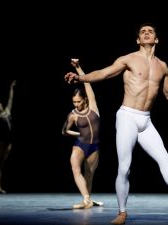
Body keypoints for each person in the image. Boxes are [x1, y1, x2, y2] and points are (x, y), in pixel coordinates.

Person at [64, 22, 168, 225]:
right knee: (125, 168)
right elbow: (104, 73)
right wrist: (80, 77)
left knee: (166, 164)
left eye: (150, 31)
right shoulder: (129, 59)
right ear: (138, 39)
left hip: (146, 121)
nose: (146, 33)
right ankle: (122, 213)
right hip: (127, 117)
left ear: (156, 39)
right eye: (142, 31)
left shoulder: (162, 66)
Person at [62, 59, 103, 209]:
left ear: (84, 99)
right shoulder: (72, 115)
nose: (76, 104)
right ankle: (86, 199)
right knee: (75, 167)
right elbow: (64, 131)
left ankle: (88, 201)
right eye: (74, 102)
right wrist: (77, 134)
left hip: (95, 147)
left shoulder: (93, 106)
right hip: (80, 145)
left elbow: (87, 83)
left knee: (89, 176)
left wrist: (78, 67)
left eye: (78, 101)